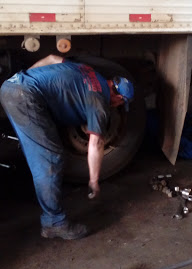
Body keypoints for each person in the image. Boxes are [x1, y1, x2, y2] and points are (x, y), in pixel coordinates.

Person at [0, 54, 134, 240]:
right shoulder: (99, 102)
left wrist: (28, 78)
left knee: (36, 149)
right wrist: (94, 181)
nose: (117, 106)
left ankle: (40, 195)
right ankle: (54, 223)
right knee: (51, 158)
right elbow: (96, 143)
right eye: (121, 103)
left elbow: (53, 58)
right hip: (25, 97)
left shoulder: (89, 70)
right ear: (118, 96)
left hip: (12, 86)